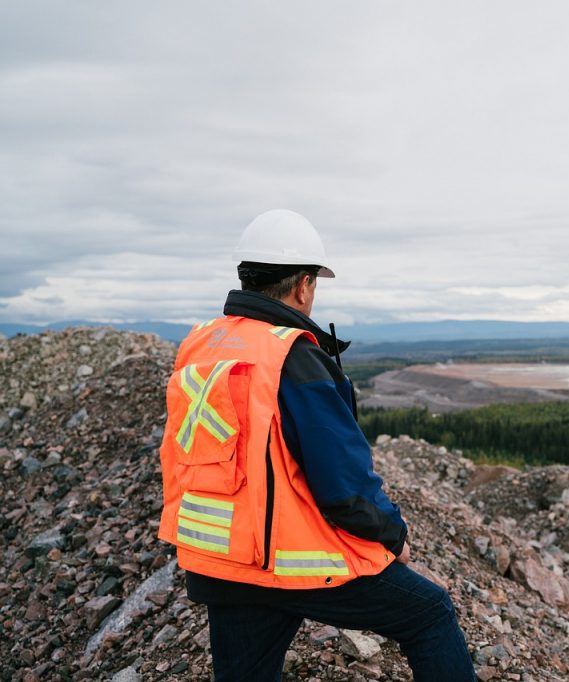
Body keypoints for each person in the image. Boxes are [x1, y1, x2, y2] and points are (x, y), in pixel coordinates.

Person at [156, 209, 475, 681]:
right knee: (429, 612)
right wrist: (394, 537)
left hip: (219, 561)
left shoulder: (202, 345)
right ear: (303, 285)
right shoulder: (293, 355)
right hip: (284, 562)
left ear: (246, 276)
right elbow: (345, 487)